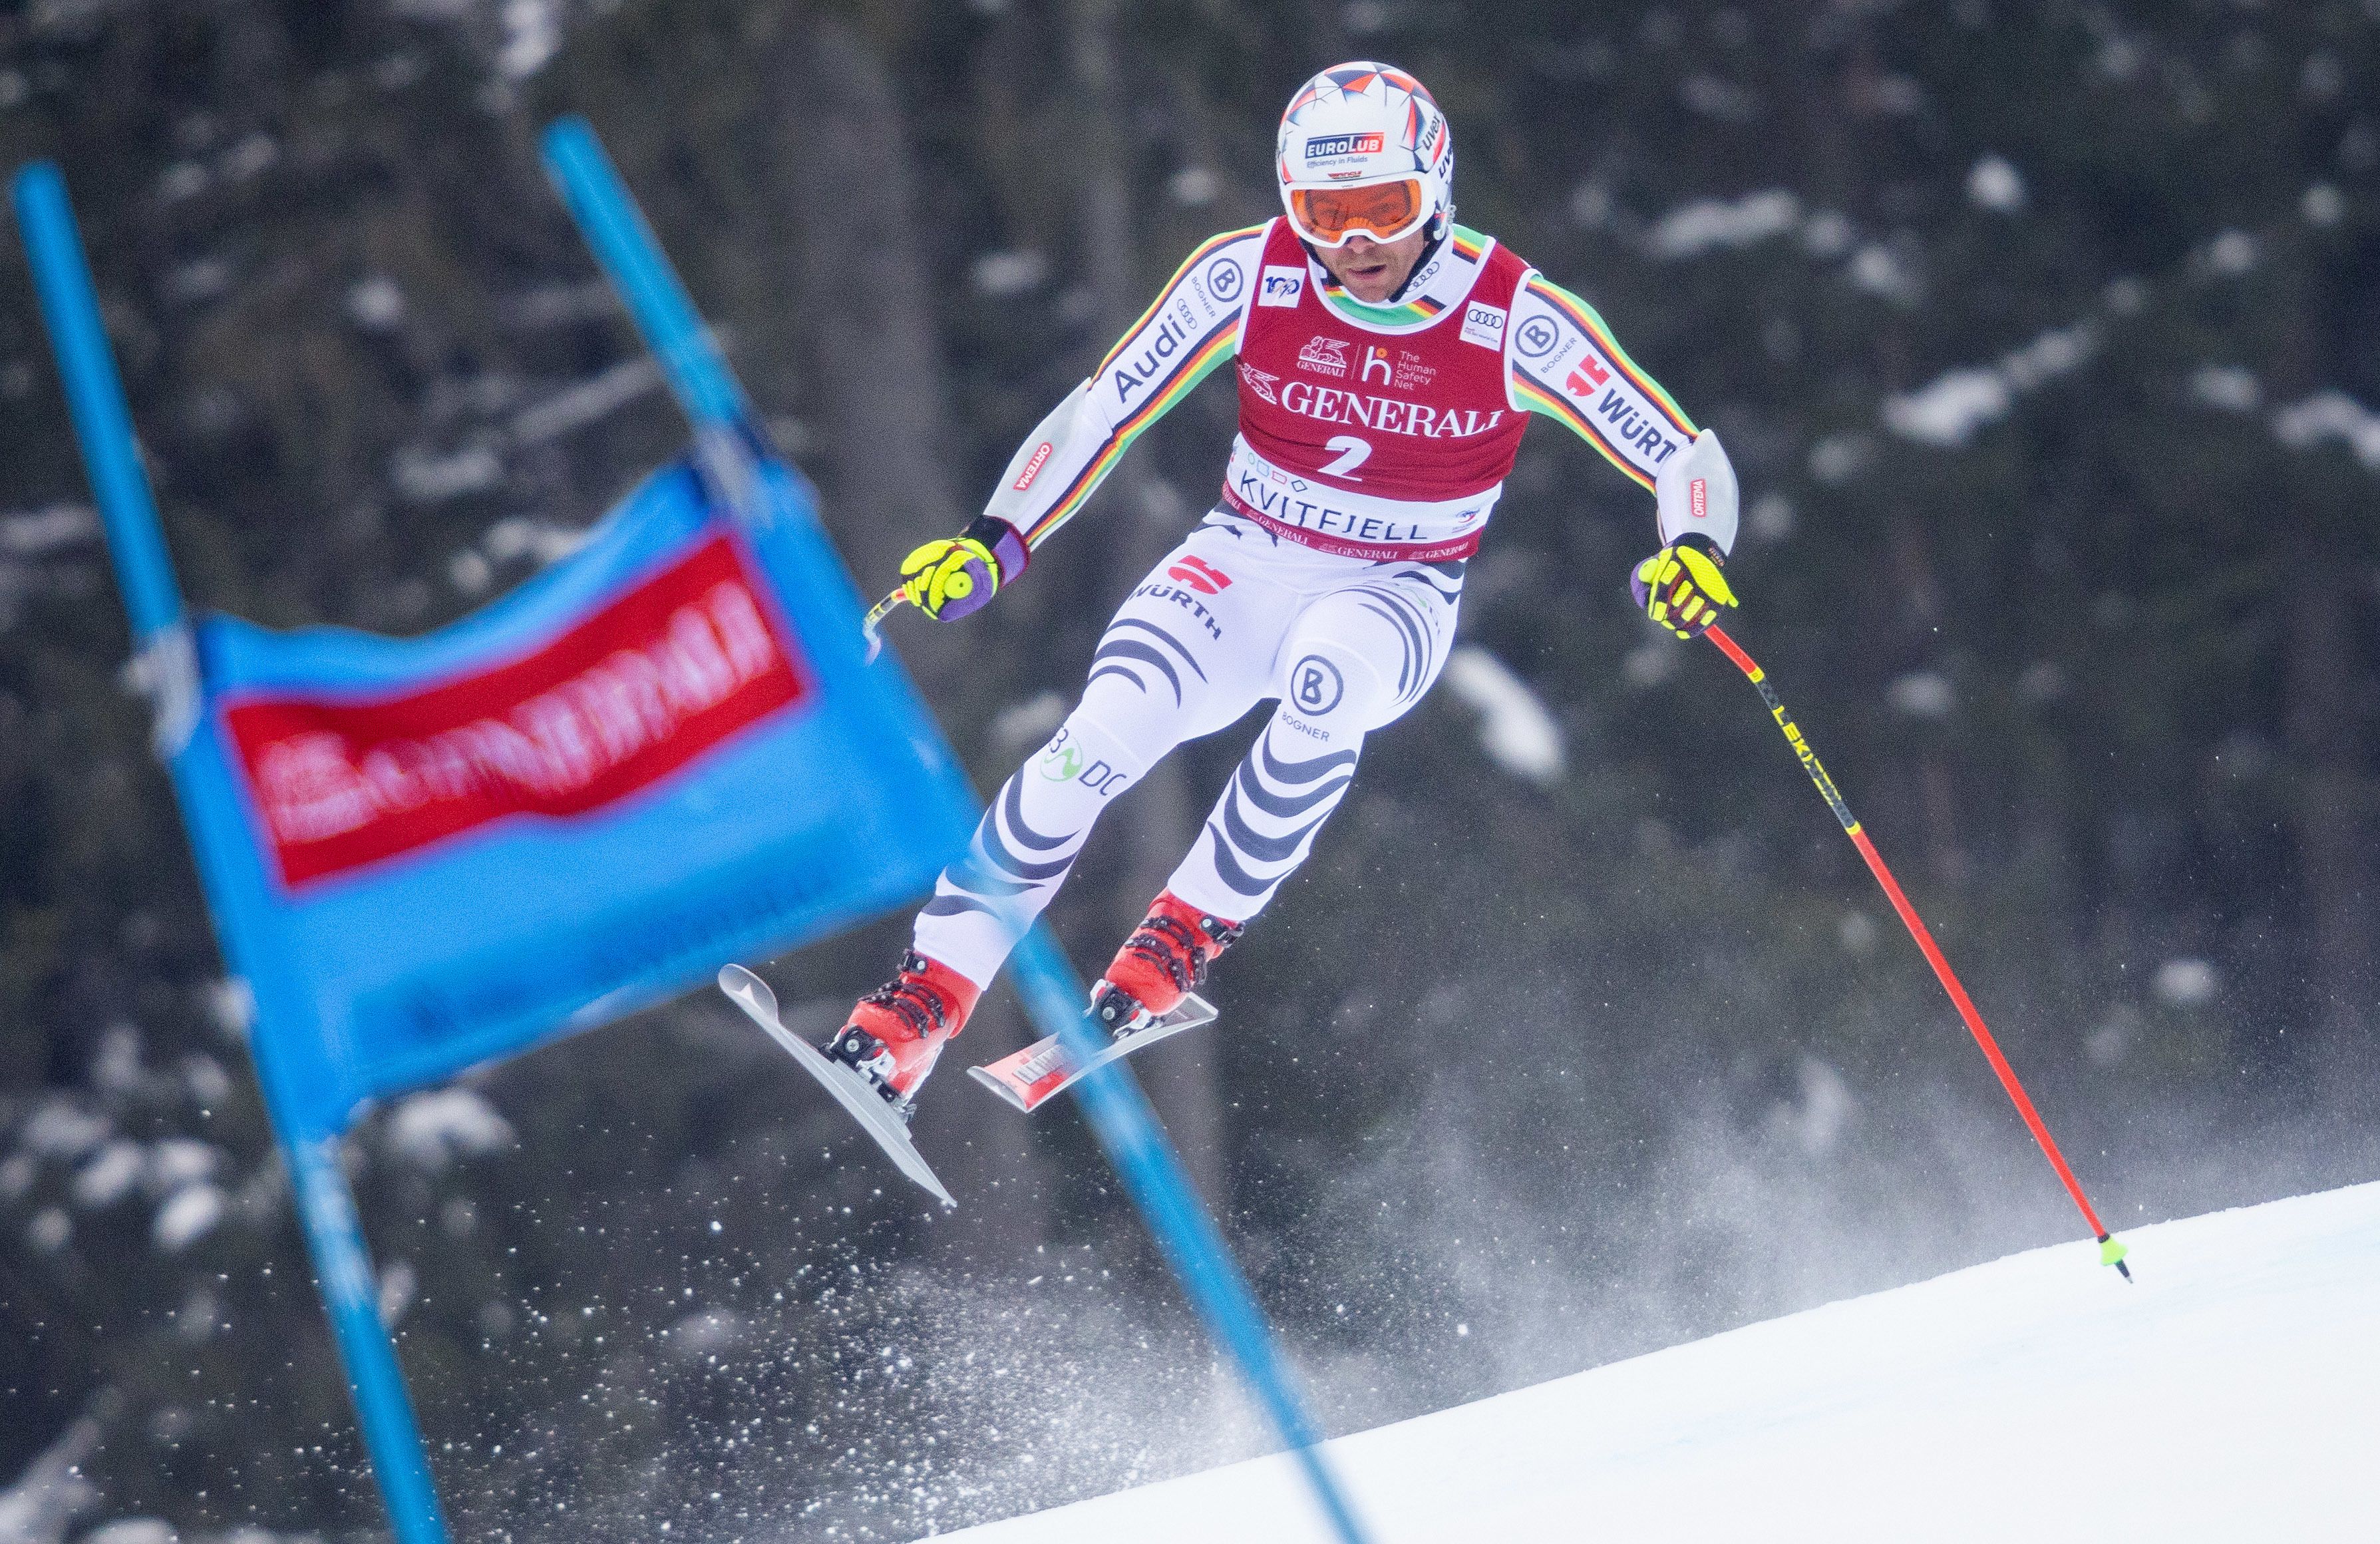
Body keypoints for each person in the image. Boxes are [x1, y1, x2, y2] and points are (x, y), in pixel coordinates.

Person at [824, 61, 1743, 1111]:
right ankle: (914, 1009)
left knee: (1323, 681)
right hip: (1243, 558)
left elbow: (1682, 454)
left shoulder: (1513, 318)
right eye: (1325, 213)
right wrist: (994, 539)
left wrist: (1695, 548)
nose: (1355, 242)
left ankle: (1173, 946)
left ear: (1435, 190)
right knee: (1094, 739)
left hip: (1393, 591)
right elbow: (1101, 410)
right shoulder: (1245, 275)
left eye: (1384, 209)